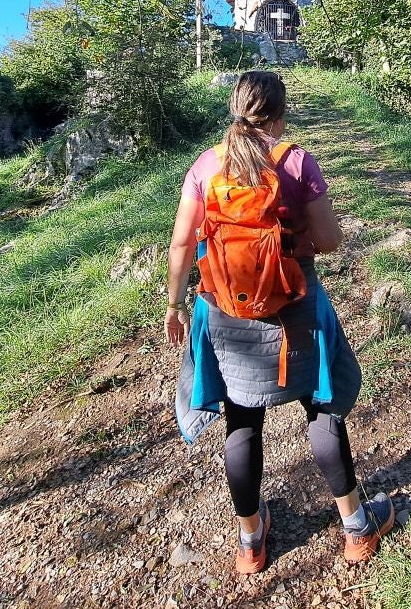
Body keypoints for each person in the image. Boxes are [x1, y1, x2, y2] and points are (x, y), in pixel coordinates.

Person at [166, 70, 395, 574]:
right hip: (296, 311)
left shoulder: (206, 167)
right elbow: (332, 239)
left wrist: (176, 304)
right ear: (282, 112)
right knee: (322, 410)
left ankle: (251, 541)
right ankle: (357, 527)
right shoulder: (295, 161)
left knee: (242, 422)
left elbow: (183, 243)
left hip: (225, 314)